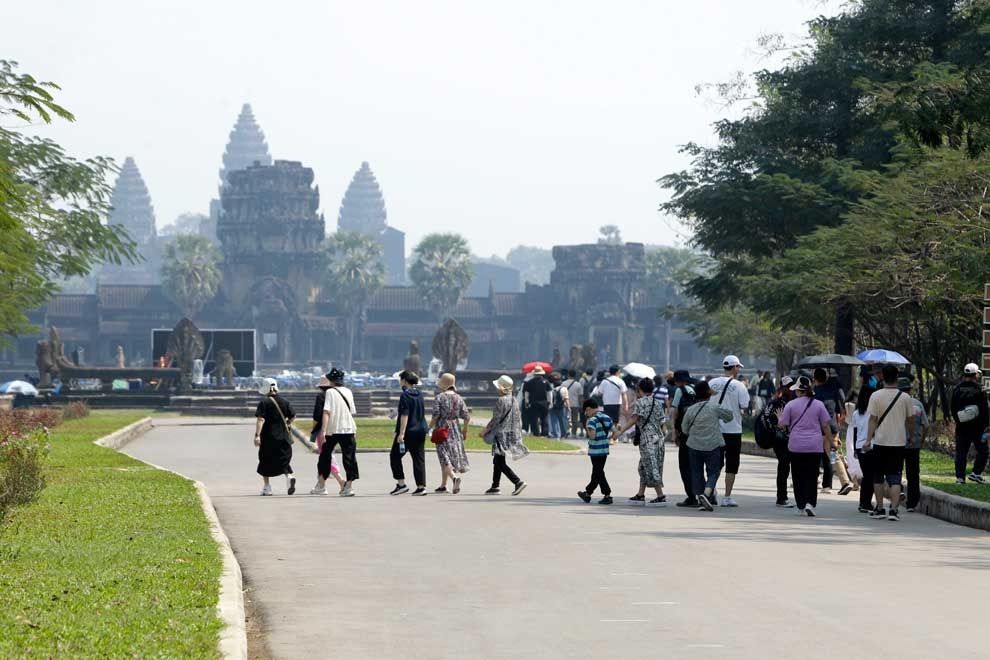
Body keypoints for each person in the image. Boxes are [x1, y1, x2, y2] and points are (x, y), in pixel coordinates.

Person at [863, 364, 916, 522]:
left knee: (878, 477)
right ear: (897, 377)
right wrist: (911, 436)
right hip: (898, 443)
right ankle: (893, 510)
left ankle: (879, 508)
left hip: (880, 442)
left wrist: (868, 439)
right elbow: (910, 420)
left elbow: (872, 419)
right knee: (895, 477)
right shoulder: (905, 397)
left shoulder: (876, 396)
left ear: (882, 377)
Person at [778, 376, 834, 517]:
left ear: (797, 390)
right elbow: (826, 425)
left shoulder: (790, 405)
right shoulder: (819, 405)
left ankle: (801, 504)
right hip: (814, 446)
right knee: (812, 475)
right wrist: (831, 441)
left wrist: (779, 418)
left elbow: (782, 424)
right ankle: (810, 503)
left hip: (796, 446)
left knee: (798, 476)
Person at [612, 377, 667, 506]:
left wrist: (620, 432)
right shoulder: (658, 403)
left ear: (639, 389)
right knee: (644, 466)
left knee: (651, 467)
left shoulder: (640, 402)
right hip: (658, 438)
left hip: (647, 439)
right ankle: (640, 494)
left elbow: (634, 419)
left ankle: (660, 496)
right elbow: (662, 423)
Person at [681, 381, 733, 511]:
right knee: (713, 472)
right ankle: (707, 493)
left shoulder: (690, 410)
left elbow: (684, 429)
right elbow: (729, 416)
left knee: (696, 472)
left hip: (694, 445)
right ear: (709, 394)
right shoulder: (714, 407)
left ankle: (701, 498)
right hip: (713, 444)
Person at [707, 355, 751, 507]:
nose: (738, 370)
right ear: (733, 367)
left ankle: (710, 491)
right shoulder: (739, 386)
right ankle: (727, 497)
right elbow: (744, 405)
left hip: (714, 429)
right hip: (733, 430)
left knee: (714, 462)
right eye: (738, 367)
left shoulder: (712, 382)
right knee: (732, 464)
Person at [312, 368, 360, 497]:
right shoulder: (348, 391)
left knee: (325, 457)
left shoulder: (330, 392)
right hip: (348, 428)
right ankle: (348, 487)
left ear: (331, 380)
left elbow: (326, 412)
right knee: (349, 458)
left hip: (333, 430)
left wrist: (323, 431)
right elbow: (351, 412)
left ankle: (321, 485)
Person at [483, 375, 529, 495]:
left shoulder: (501, 400)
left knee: (499, 462)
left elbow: (495, 419)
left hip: (500, 434)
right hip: (510, 433)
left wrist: (485, 430)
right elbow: (517, 418)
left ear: (502, 388)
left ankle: (517, 481)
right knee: (498, 459)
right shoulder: (513, 399)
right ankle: (495, 485)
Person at [253, 378, 296, 496]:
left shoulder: (264, 402)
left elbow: (261, 419)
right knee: (283, 460)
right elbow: (292, 416)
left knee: (264, 461)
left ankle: (267, 487)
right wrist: (287, 424)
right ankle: (289, 477)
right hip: (284, 438)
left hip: (268, 438)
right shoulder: (285, 401)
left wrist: (257, 435)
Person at [390, 370, 428, 496]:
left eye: (401, 380)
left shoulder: (405, 395)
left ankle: (401, 484)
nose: (400, 382)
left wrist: (401, 433)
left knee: (395, 456)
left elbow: (405, 415)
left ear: (405, 381)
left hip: (408, 432)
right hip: (421, 430)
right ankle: (421, 487)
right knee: (418, 459)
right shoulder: (420, 394)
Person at [950, 362, 989, 484]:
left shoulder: (957, 389)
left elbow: (953, 408)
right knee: (983, 450)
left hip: (962, 427)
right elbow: (984, 409)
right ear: (975, 374)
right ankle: (976, 473)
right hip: (978, 428)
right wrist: (987, 425)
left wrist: (958, 421)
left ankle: (960, 478)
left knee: (961, 452)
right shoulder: (980, 389)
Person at [431, 373, 471, 494]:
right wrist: (465, 430)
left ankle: (454, 478)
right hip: (455, 429)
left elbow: (436, 415)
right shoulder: (459, 398)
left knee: (443, 456)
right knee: (448, 456)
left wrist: (429, 427)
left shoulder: (439, 397)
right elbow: (466, 416)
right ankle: (443, 485)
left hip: (442, 429)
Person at [759, 375, 794, 507]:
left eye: (792, 386)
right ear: (783, 388)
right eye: (788, 387)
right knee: (784, 468)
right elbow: (767, 419)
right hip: (781, 441)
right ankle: (782, 497)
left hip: (787, 439)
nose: (790, 389)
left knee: (785, 468)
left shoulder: (787, 402)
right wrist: (777, 429)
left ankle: (784, 496)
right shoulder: (777, 403)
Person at [311, 374, 346, 492]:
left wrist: (314, 429)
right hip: (337, 428)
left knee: (326, 456)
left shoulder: (321, 396)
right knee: (325, 456)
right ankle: (320, 484)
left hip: (323, 429)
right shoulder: (337, 396)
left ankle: (340, 480)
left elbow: (317, 415)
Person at [900, 376, 929, 512]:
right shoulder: (918, 404)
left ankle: (897, 493)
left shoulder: (896, 404)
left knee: (896, 470)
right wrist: (921, 440)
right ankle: (912, 503)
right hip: (914, 444)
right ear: (910, 390)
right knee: (913, 473)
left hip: (898, 443)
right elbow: (926, 425)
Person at [577, 399, 614, 505]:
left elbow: (592, 436)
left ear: (588, 409)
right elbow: (615, 432)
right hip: (604, 449)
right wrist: (609, 438)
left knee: (598, 472)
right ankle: (591, 494)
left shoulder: (592, 420)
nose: (586, 414)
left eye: (586, 412)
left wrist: (587, 428)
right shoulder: (607, 417)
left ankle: (598, 493)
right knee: (598, 472)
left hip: (595, 450)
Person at [670, 369, 698, 507]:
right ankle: (705, 494)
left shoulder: (679, 391)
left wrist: (675, 432)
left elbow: (675, 411)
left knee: (684, 465)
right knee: (697, 465)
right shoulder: (696, 389)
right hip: (698, 432)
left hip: (685, 433)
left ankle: (692, 497)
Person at [849, 385, 878, 512]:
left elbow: (855, 432)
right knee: (870, 476)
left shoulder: (856, 413)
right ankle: (865, 503)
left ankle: (863, 503)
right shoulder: (874, 413)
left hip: (860, 447)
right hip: (871, 445)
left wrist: (855, 449)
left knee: (867, 475)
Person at [523, 366, 551, 437]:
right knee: (544, 418)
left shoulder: (529, 382)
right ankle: (544, 433)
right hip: (544, 403)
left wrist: (526, 402)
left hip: (533, 403)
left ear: (534, 374)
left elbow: (526, 394)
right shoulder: (546, 382)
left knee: (534, 419)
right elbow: (549, 393)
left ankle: (536, 433)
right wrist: (549, 402)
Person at [548, 371, 570, 439]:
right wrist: (568, 407)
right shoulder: (563, 388)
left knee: (554, 421)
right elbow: (566, 399)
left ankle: (556, 434)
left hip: (552, 407)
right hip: (561, 407)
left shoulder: (550, 388)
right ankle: (563, 434)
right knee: (562, 421)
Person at [566, 370, 585, 438]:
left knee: (566, 418)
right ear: (575, 376)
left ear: (568, 375)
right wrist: (581, 405)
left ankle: (566, 431)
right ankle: (574, 433)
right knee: (575, 420)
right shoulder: (578, 384)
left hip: (566, 403)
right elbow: (580, 396)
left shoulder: (564, 383)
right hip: (575, 404)